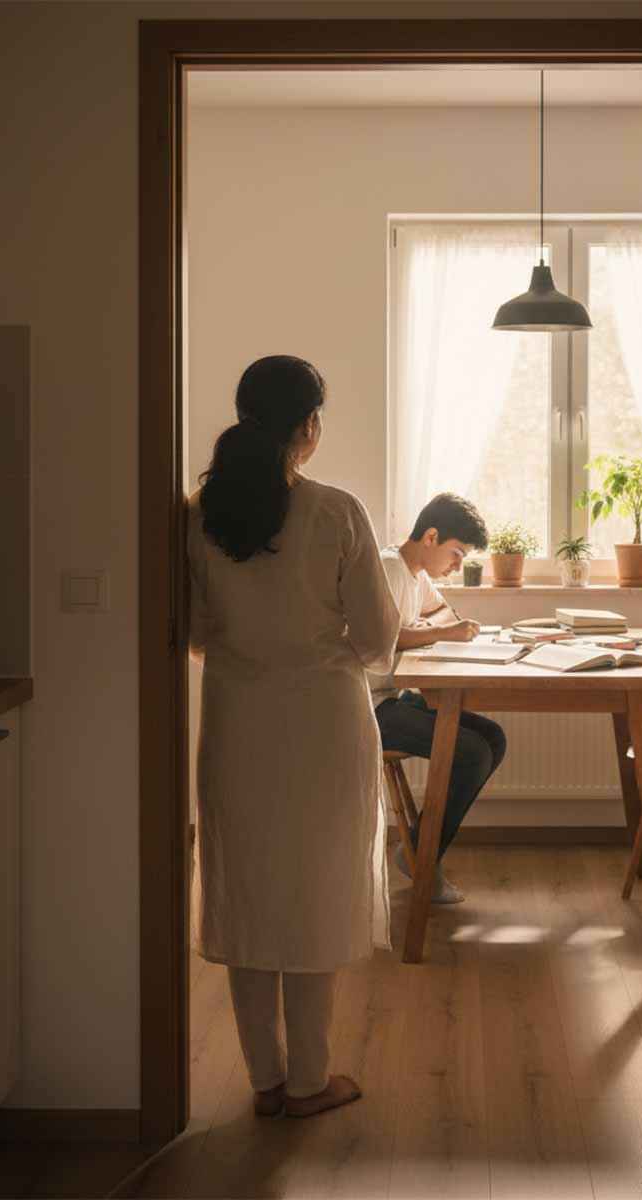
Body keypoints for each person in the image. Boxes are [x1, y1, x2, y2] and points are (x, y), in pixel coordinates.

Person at [186, 355, 399, 1120]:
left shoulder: (196, 515)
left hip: (237, 724)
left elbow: (192, 629)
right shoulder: (336, 511)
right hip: (323, 726)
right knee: (314, 893)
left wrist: (250, 655)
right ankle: (313, 1079)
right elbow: (378, 639)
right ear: (308, 428)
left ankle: (266, 1082)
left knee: (245, 893)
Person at [369, 493, 508, 903]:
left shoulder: (416, 574)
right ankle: (420, 858)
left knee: (493, 739)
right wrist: (445, 633)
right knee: (472, 753)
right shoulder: (390, 569)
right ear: (431, 537)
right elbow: (384, 639)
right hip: (368, 706)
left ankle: (417, 847)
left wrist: (462, 629)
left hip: (392, 695)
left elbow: (441, 614)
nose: (458, 565)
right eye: (456, 553)